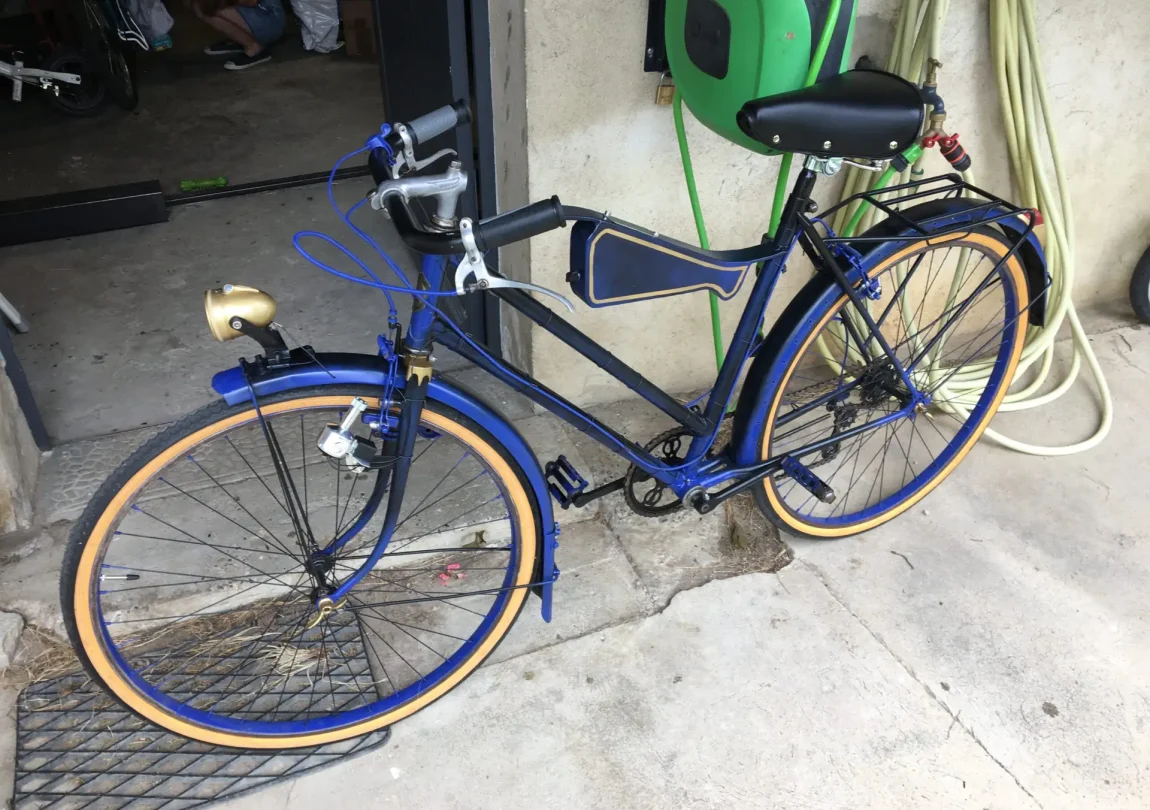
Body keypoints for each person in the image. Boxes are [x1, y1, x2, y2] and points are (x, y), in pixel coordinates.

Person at [194, 0, 285, 70]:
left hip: (270, 22)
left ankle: (255, 48)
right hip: (255, 15)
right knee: (200, 6)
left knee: (211, 7)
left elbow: (251, 1)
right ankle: (241, 40)